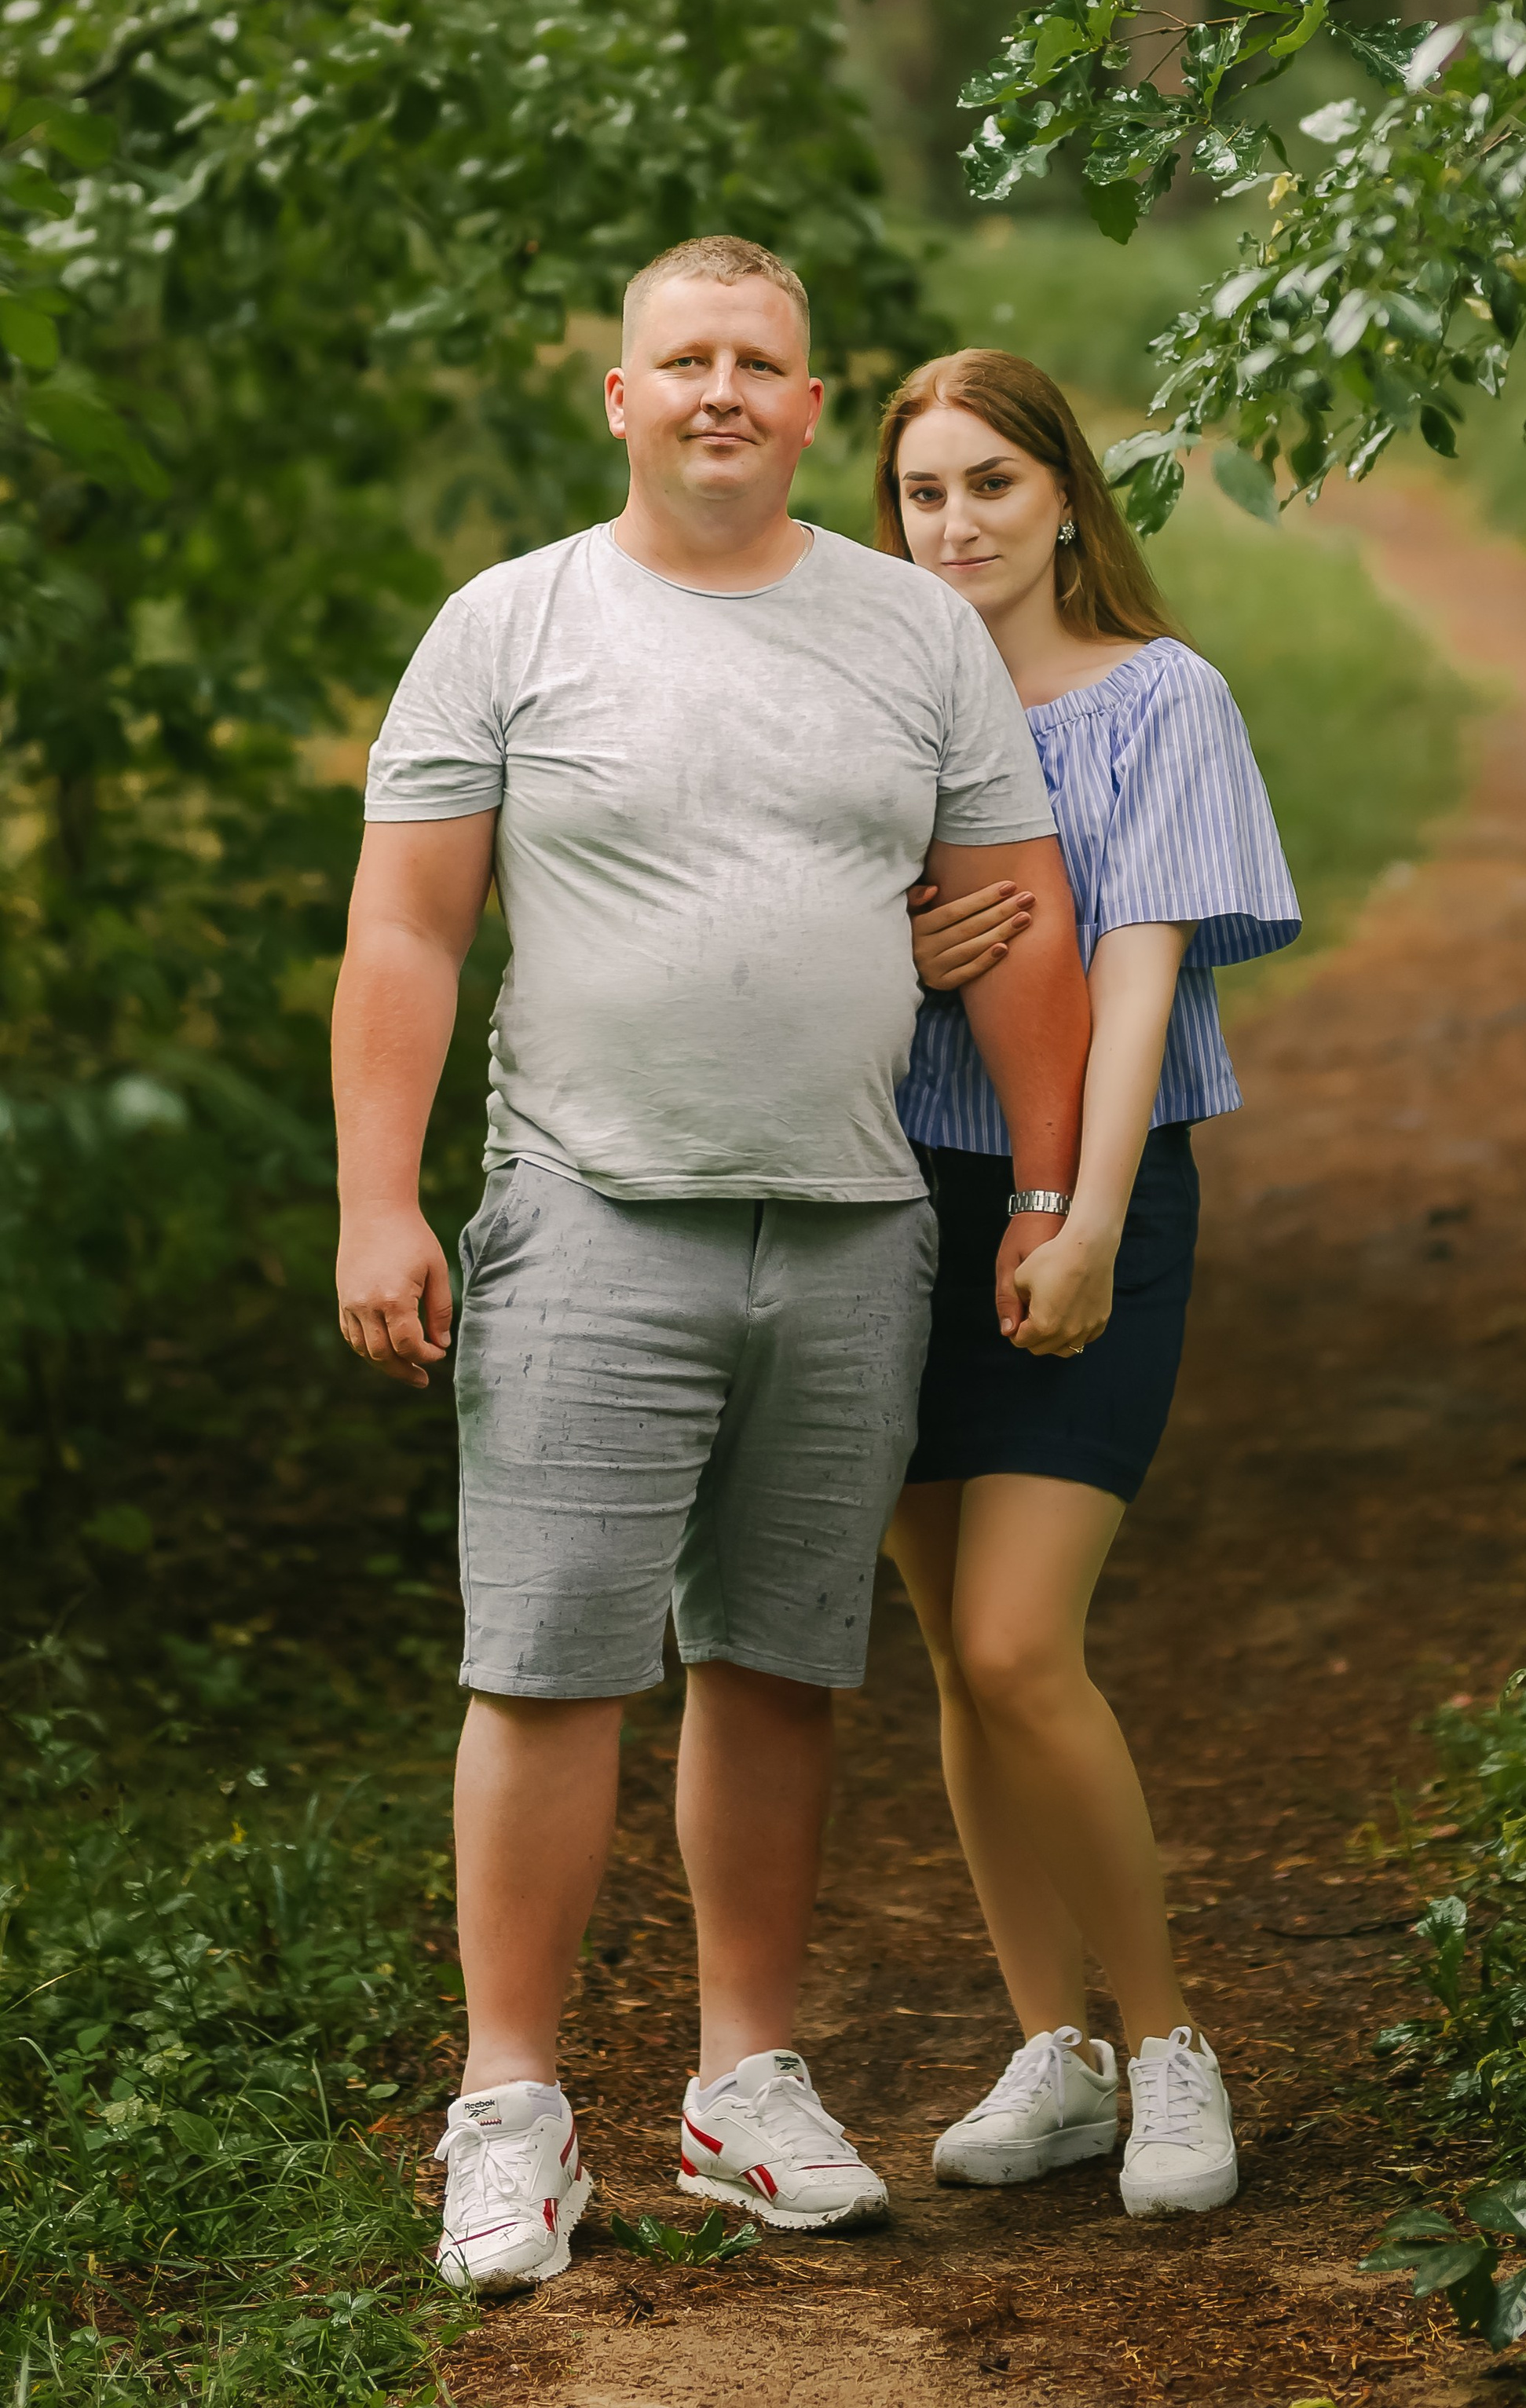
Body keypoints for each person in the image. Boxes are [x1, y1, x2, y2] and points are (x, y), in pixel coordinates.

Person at [331, 241, 1094, 2290]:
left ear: (812, 400)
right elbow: (407, 928)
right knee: (549, 1666)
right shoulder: (514, 624)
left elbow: (1016, 913)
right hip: (587, 1217)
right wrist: (377, 1199)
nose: (724, 393)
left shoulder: (908, 636)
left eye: (761, 362)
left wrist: (1041, 1193)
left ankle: (745, 2082)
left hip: (851, 1228)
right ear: (621, 394)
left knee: (778, 1667)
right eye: (688, 361)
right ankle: (511, 2108)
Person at [876, 348, 1301, 2220]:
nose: (955, 523)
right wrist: (883, 932)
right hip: (885, 1192)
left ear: (1063, 495)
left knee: (1010, 1641)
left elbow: (1136, 979)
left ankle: (1169, 2042)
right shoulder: (872, 699)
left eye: (990, 483)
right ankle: (1047, 2045)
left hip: (1088, 1190)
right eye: (922, 493)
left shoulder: (1160, 699)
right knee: (949, 1659)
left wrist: (1086, 1218)